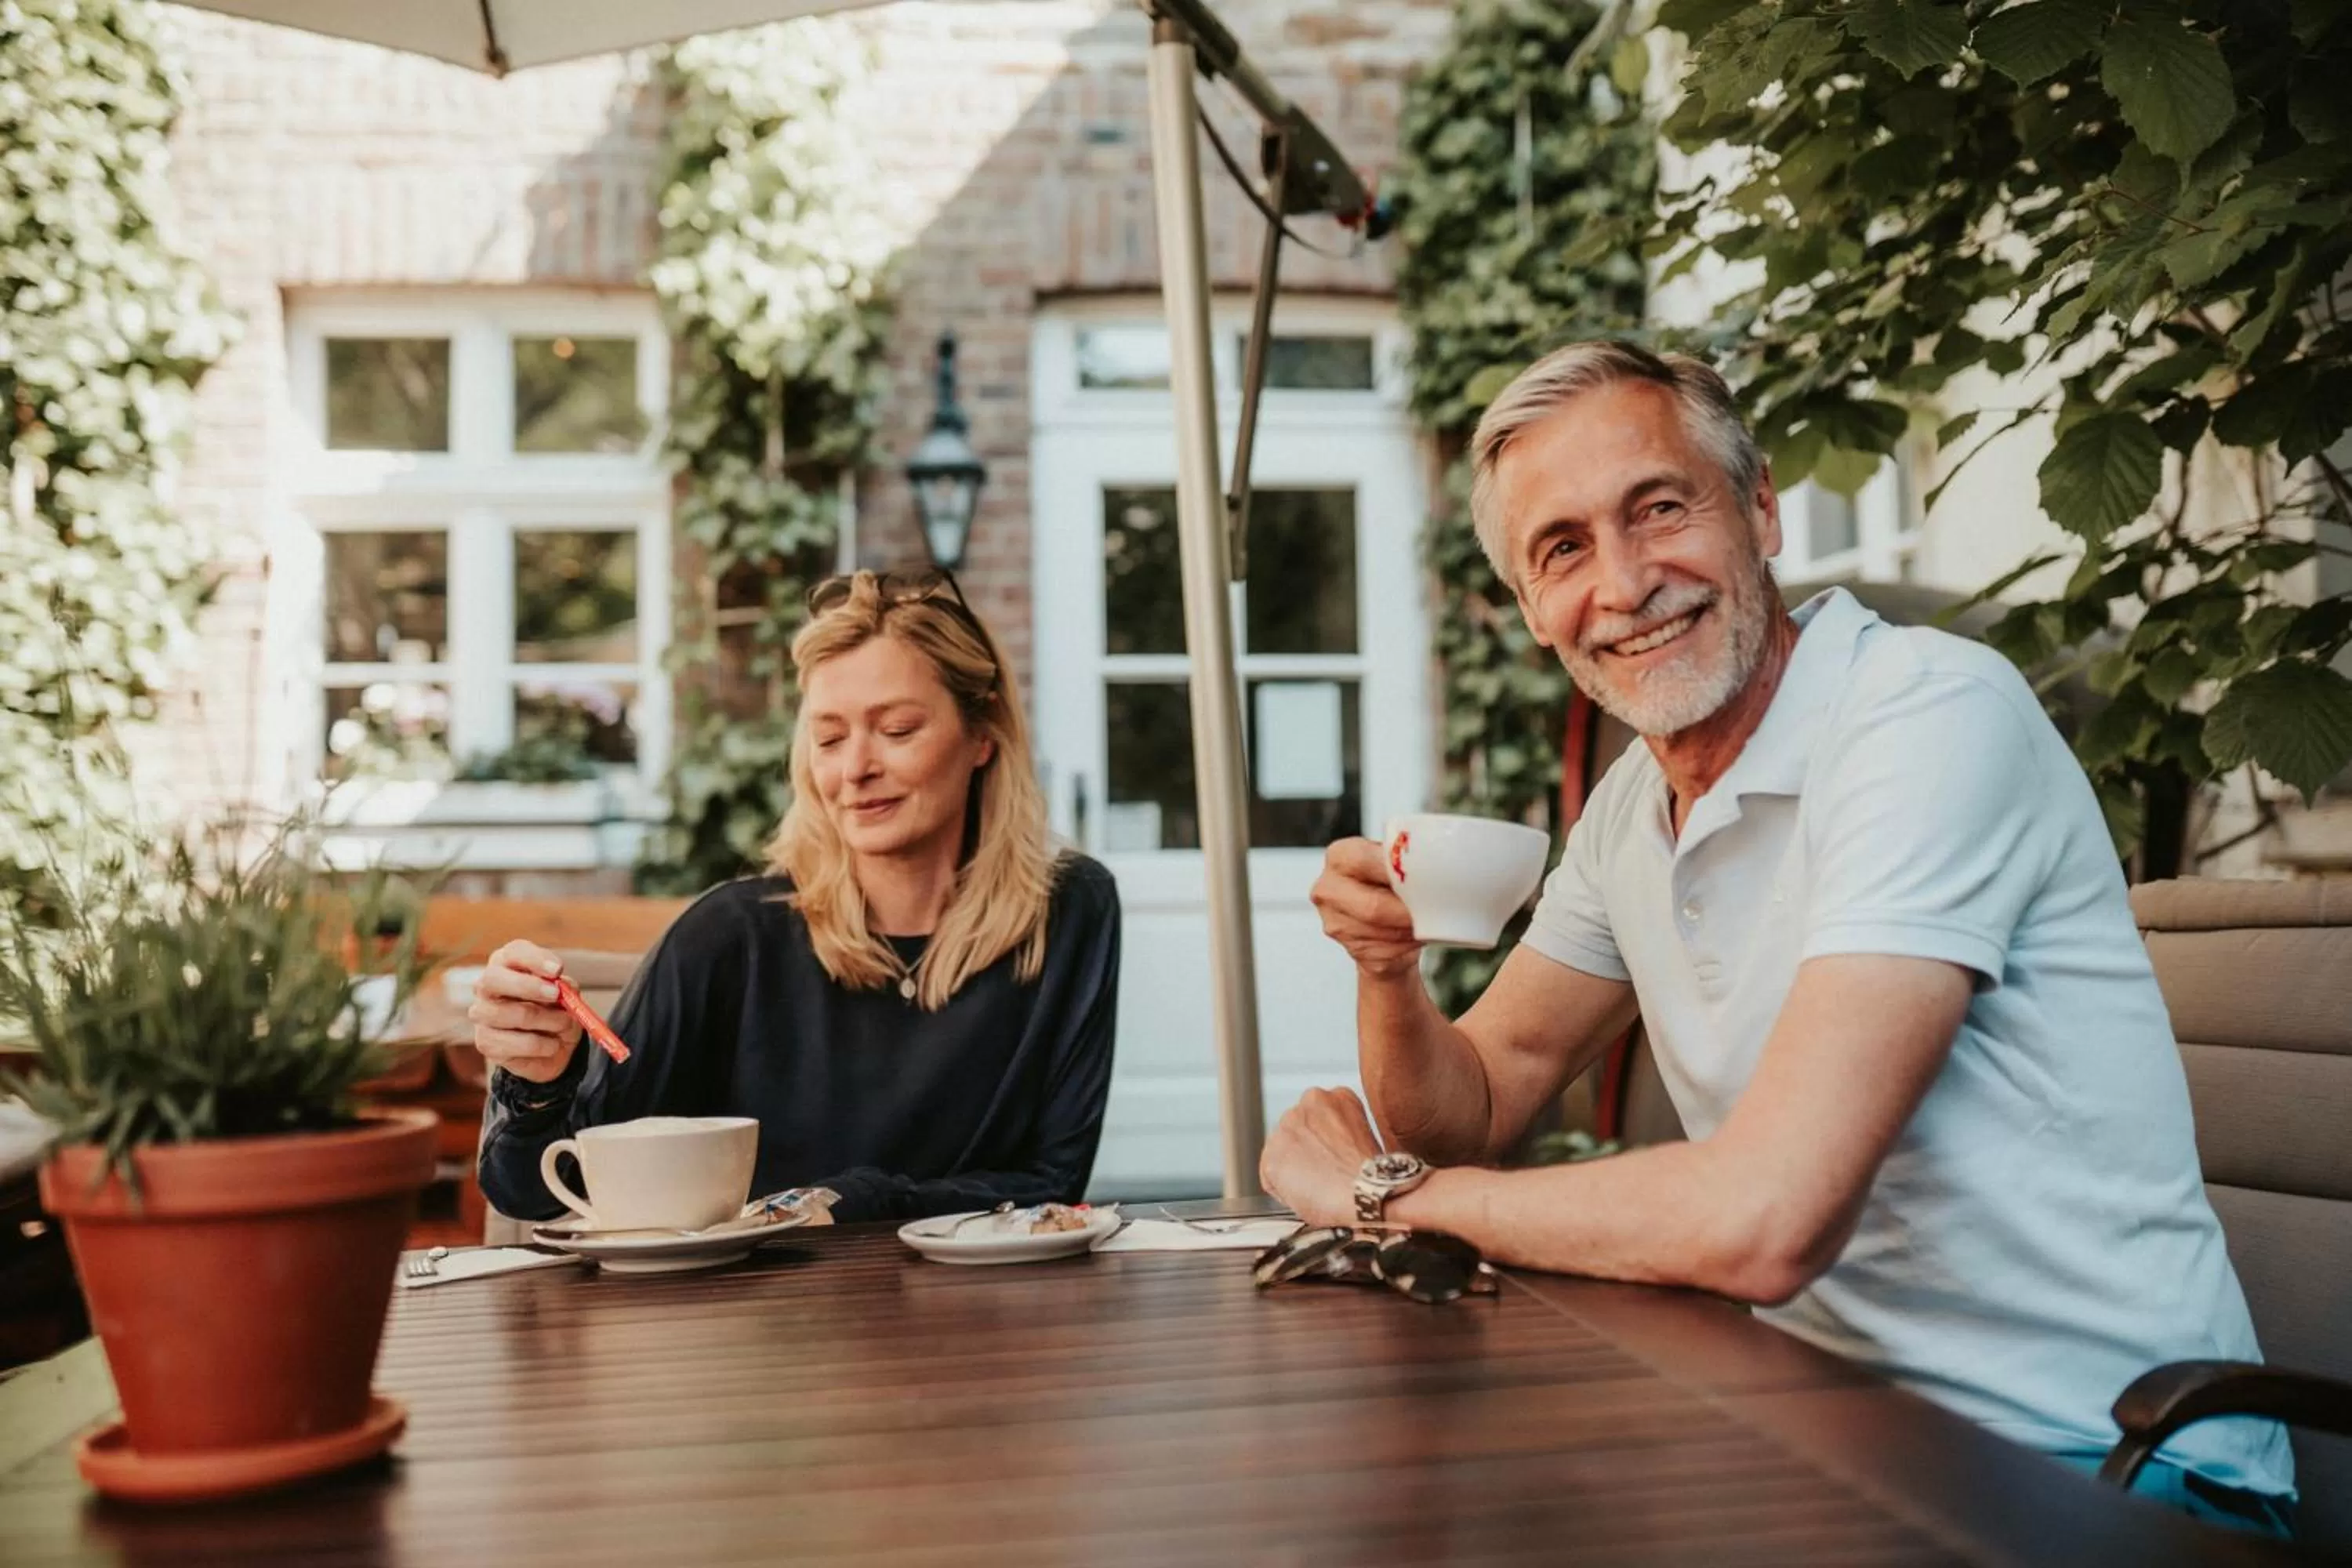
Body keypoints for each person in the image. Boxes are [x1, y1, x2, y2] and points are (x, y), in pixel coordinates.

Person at [1262, 341, 2296, 1534]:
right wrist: (1390, 975)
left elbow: (1767, 1224)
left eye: (1659, 508)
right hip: (1825, 1433)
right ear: (1534, 613)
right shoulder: (1631, 810)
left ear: (1760, 510)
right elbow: (1482, 1102)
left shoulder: (1923, 718)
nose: (1625, 581)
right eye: (1563, 550)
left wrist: (1384, 1200)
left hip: (2108, 1471)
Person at [474, 568, 1120, 1225]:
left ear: (983, 736)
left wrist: (849, 1202)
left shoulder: (1069, 912)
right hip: (755, 1322)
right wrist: (540, 1081)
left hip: (987, 1316)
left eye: (896, 730)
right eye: (830, 738)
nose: (855, 769)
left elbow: (1054, 1184)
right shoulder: (727, 939)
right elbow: (538, 1190)